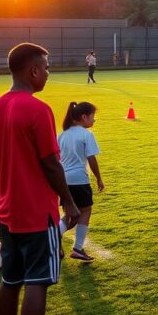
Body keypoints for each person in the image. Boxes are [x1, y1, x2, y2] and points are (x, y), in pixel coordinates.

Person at [0, 42, 80, 315]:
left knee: (10, 280)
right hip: (38, 213)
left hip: (7, 211)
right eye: (47, 68)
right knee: (38, 282)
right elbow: (51, 163)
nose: (49, 74)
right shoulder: (38, 109)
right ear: (33, 70)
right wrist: (69, 201)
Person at [57, 102, 104, 263]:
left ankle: (54, 238)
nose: (94, 120)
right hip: (79, 179)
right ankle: (76, 247)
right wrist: (98, 178)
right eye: (93, 117)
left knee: (69, 214)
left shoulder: (61, 134)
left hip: (64, 180)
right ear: (84, 117)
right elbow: (91, 158)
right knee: (85, 211)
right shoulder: (86, 135)